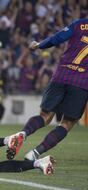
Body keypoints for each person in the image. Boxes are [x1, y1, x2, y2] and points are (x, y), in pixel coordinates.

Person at [7, 19, 88, 161]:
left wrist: (39, 45)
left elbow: (58, 38)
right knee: (66, 124)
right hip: (81, 82)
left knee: (45, 116)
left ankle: (23, 134)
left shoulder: (80, 24)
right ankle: (35, 153)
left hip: (61, 75)